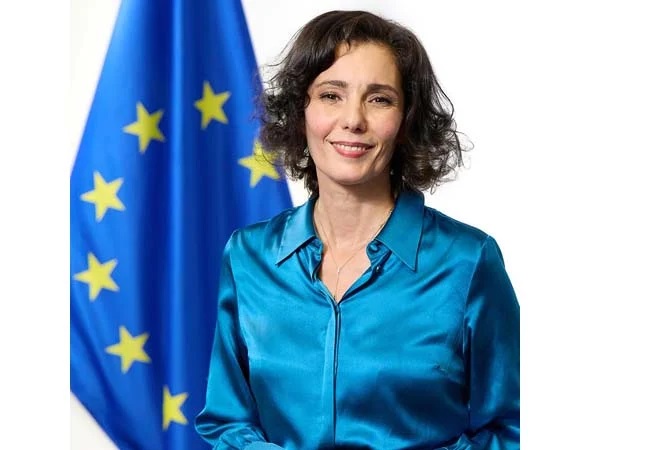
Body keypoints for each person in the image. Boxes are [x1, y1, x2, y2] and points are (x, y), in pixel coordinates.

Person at [195, 10, 520, 450]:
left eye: (379, 99)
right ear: (300, 111)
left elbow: (513, 429)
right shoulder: (248, 256)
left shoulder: (468, 261)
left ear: (405, 121)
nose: (353, 120)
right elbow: (226, 422)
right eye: (331, 95)